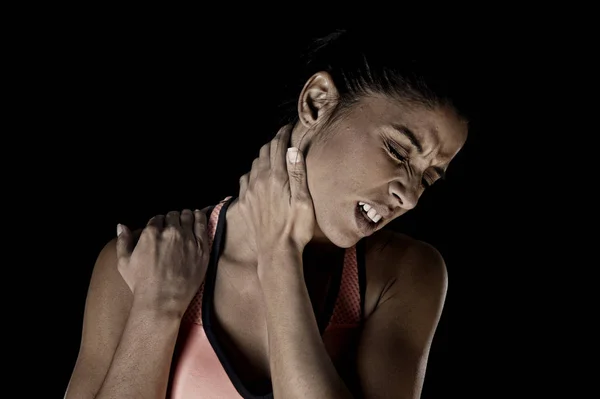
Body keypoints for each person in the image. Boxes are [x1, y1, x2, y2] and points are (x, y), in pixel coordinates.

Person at [65, 28, 469, 399]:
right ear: (317, 102)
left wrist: (279, 256)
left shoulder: (402, 275)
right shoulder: (141, 262)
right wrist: (155, 309)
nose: (411, 197)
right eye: (397, 151)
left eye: (428, 178)